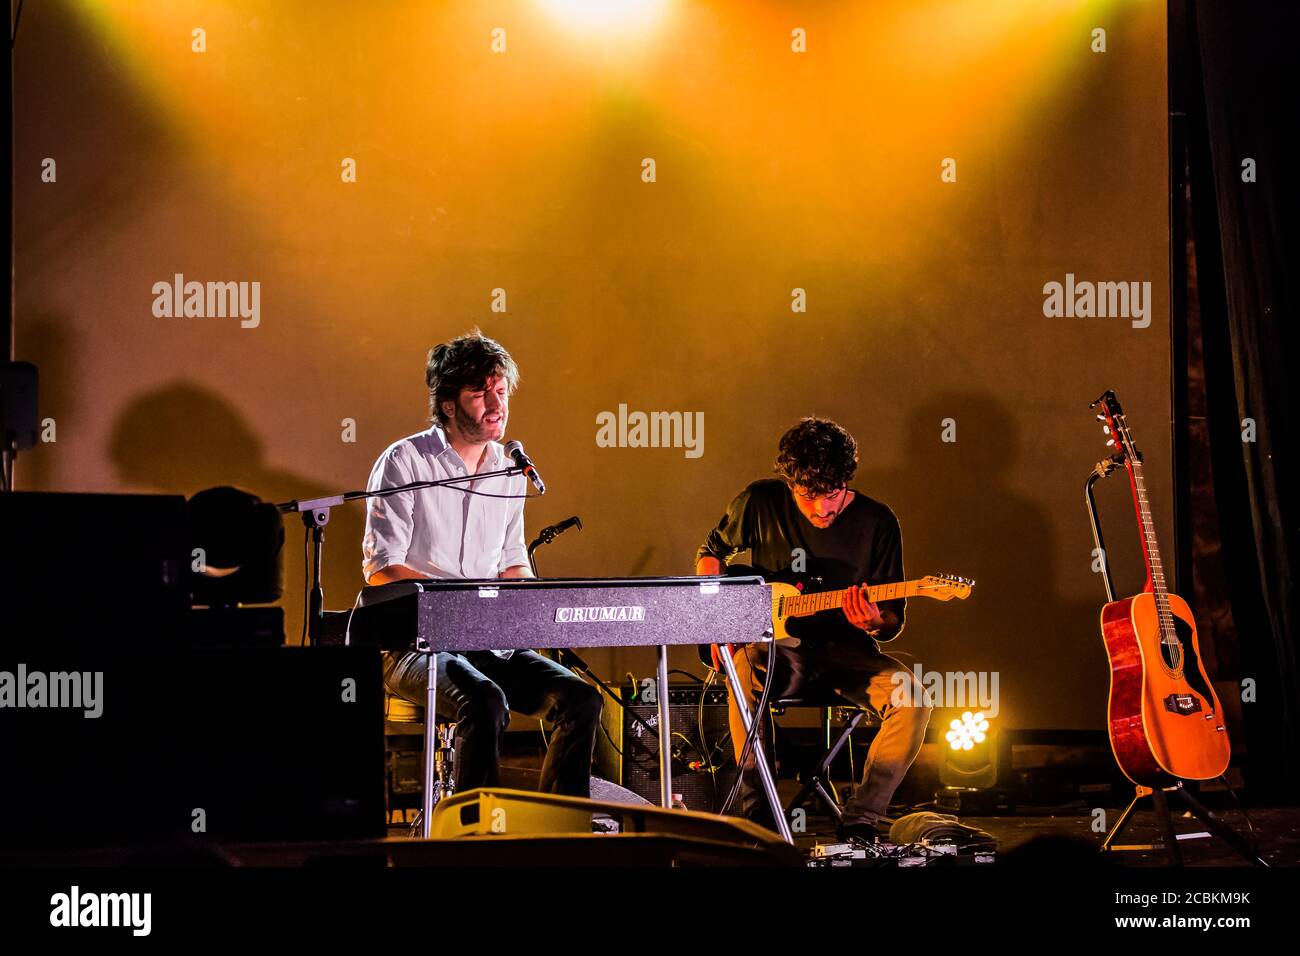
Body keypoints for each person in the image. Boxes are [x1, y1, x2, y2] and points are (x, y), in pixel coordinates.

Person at [363, 330, 602, 797]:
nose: (496, 404)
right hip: (410, 642)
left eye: (501, 391)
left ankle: (560, 827)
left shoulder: (510, 470)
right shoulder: (406, 461)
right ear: (449, 404)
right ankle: (477, 837)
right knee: (485, 700)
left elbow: (513, 561)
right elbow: (381, 568)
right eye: (480, 393)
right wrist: (465, 608)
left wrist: (531, 612)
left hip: (486, 640)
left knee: (580, 698)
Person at [694, 417, 932, 839]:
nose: (824, 508)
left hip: (849, 656)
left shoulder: (878, 521)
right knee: (744, 668)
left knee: (912, 696)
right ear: (789, 484)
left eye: (834, 493)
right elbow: (712, 552)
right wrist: (718, 621)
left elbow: (892, 620)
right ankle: (758, 815)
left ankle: (861, 819)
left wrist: (874, 621)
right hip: (780, 654)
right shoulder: (760, 501)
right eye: (809, 496)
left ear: (846, 481)